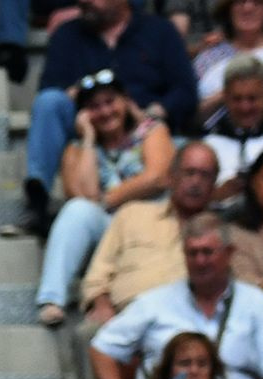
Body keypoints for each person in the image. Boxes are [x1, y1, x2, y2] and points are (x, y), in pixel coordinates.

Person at [17, 0, 198, 239]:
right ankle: (38, 201)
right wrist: (83, 97)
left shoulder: (159, 31)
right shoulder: (67, 35)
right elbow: (50, 87)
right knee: (49, 101)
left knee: (189, 151)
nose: (84, 2)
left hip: (145, 130)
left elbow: (186, 90)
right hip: (86, 126)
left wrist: (154, 113)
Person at [93, 213, 263, 379]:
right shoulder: (155, 301)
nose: (200, 261)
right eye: (192, 253)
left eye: (207, 252)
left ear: (229, 253)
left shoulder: (257, 303)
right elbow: (102, 347)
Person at [34, 73, 174, 327]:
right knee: (76, 210)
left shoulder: (151, 131)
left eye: (111, 101)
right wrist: (88, 138)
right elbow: (83, 197)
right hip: (109, 228)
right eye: (94, 107)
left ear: (126, 102)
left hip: (149, 223)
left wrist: (109, 198)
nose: (105, 111)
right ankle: (52, 299)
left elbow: (158, 177)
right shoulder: (76, 147)